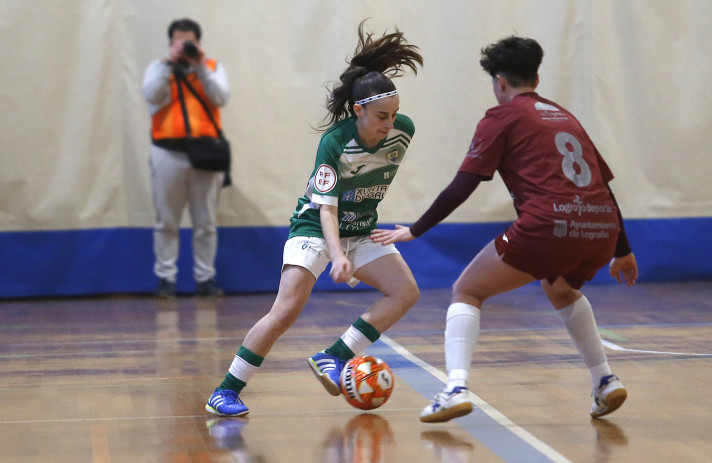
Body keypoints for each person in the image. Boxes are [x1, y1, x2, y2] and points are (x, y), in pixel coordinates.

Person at [372, 36, 638, 422]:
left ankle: (455, 389)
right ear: (537, 77)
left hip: (549, 224)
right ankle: (604, 380)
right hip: (602, 229)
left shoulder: (502, 117)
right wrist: (622, 249)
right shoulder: (564, 116)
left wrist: (417, 230)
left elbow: (464, 184)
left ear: (499, 82)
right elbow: (605, 188)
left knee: (467, 290)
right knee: (560, 288)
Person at [204, 20, 423, 417]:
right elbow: (326, 206)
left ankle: (334, 357)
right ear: (358, 111)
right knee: (286, 309)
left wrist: (353, 241)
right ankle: (226, 389)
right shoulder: (335, 142)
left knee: (406, 292)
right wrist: (337, 255)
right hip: (315, 228)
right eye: (380, 116)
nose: (390, 124)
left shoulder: (402, 132)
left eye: (394, 114)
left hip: (359, 231)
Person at [142, 18, 230, 298]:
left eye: (188, 42)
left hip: (205, 154)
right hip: (167, 152)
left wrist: (200, 66)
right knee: (166, 221)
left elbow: (220, 97)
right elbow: (150, 95)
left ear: (198, 43)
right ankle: (166, 279)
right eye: (177, 42)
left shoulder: (212, 68)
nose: (183, 46)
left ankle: (205, 279)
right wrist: (170, 64)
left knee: (206, 223)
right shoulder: (158, 68)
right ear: (170, 44)